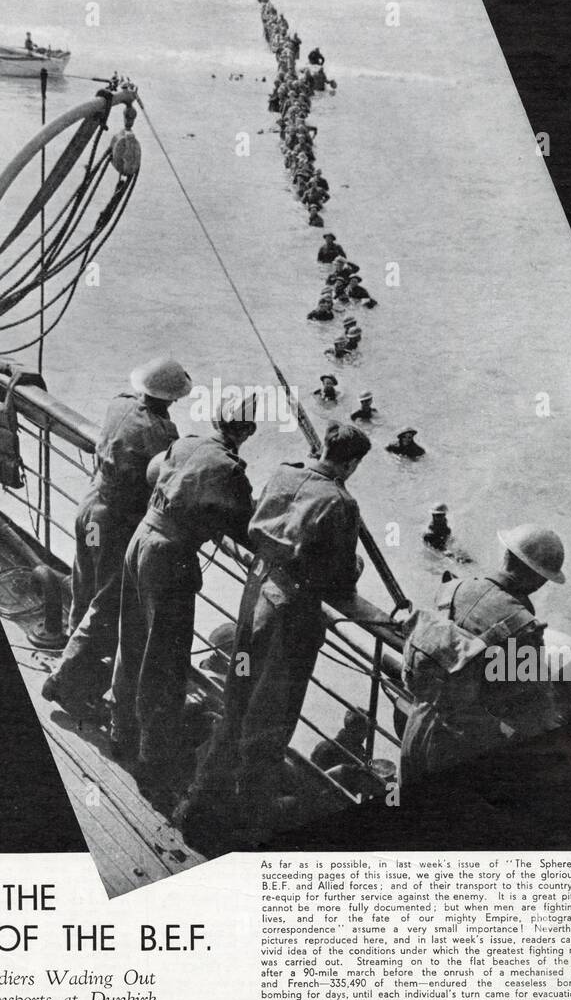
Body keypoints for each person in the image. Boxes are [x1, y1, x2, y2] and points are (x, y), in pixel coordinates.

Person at [180, 421, 372, 847]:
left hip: (257, 595)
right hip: (292, 618)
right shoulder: (342, 504)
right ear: (353, 462)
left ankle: (198, 803)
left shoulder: (284, 473)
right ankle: (247, 822)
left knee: (237, 700)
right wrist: (354, 566)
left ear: (322, 445)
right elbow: (340, 579)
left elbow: (254, 527)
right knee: (271, 720)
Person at [110, 395, 258, 808]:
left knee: (133, 639)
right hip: (170, 560)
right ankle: (153, 759)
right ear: (247, 432)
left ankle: (120, 727)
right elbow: (251, 525)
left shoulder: (185, 442)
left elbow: (155, 473)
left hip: (140, 541)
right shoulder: (230, 469)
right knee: (165, 661)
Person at [42, 358, 192, 723]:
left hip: (90, 506)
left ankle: (69, 660)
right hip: (114, 522)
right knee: (106, 604)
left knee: (84, 586)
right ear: (171, 399)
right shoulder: (161, 433)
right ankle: (65, 682)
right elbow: (167, 478)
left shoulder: (118, 403)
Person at [400, 525, 568, 784]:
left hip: (418, 722)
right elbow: (535, 710)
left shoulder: (454, 589)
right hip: (459, 746)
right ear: (539, 579)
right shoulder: (523, 629)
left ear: (506, 556)